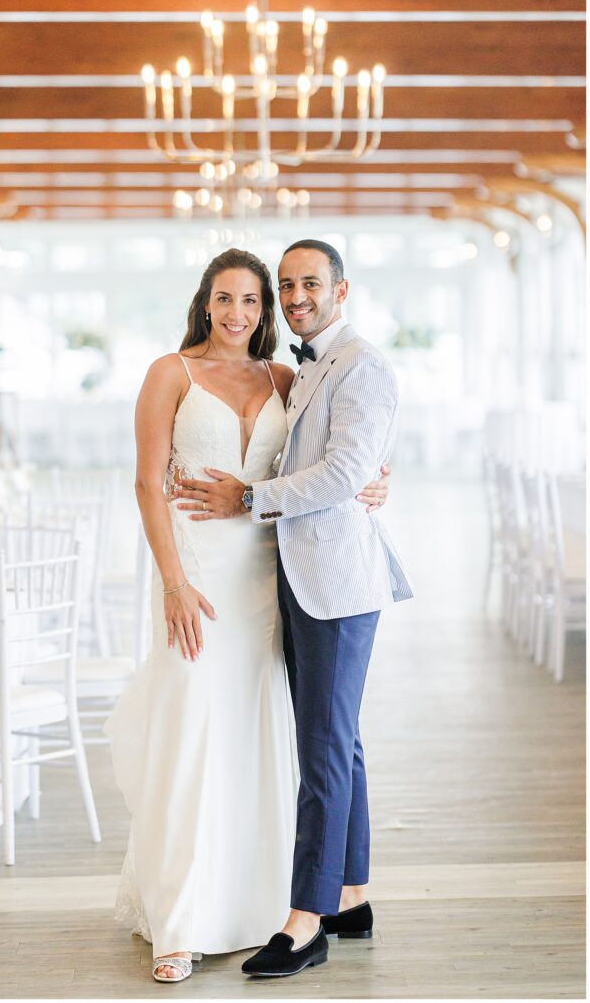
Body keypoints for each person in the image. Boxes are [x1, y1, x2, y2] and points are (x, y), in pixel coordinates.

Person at [105, 247, 390, 983]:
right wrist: (170, 581)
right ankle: (177, 919)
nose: (240, 313)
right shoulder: (169, 372)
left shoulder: (284, 377)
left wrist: (374, 481)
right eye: (227, 299)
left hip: (269, 579)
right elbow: (144, 483)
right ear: (205, 302)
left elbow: (333, 457)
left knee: (260, 739)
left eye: (254, 301)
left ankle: (261, 902)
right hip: (197, 575)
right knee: (193, 731)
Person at [176, 239, 413, 978]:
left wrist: (250, 497)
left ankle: (304, 922)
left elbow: (342, 471)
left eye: (309, 283)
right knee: (337, 743)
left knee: (319, 751)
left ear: (342, 289)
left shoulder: (362, 363)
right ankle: (350, 895)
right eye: (288, 285)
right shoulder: (308, 365)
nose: (296, 296)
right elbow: (332, 461)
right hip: (298, 575)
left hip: (338, 583)